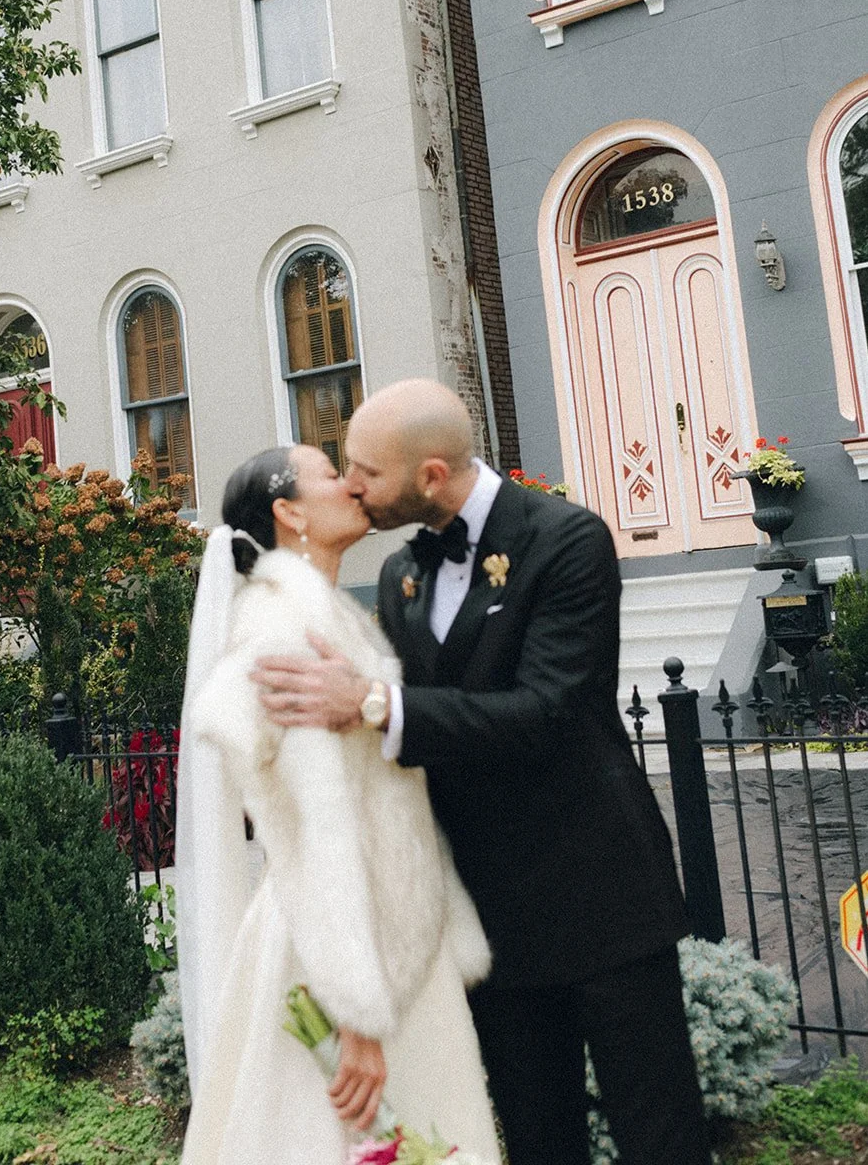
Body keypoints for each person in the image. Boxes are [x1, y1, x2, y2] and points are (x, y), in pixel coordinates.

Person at [253, 379, 712, 1165]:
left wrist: (370, 702)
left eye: (366, 471)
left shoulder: (566, 540)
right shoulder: (400, 574)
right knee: (537, 1141)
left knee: (659, 1139)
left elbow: (545, 715)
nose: (352, 485)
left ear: (430, 475)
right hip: (492, 921)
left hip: (601, 900)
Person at [176, 441, 501, 1165]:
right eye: (330, 473)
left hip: (389, 932)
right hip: (334, 948)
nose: (351, 483)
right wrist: (355, 1015)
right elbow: (313, 828)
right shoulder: (283, 629)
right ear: (289, 511)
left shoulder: (334, 616)